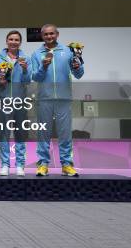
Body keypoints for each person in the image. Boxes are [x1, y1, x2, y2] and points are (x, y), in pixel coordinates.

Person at [31, 24, 84, 177]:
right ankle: (42, 165)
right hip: (44, 99)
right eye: (46, 34)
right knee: (43, 133)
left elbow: (79, 74)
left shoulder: (69, 51)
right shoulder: (36, 54)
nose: (49, 36)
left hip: (64, 98)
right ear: (42, 36)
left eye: (52, 34)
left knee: (65, 134)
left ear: (57, 34)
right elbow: (36, 77)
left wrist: (76, 67)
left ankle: (67, 164)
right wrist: (44, 67)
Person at [0, 30, 31, 176]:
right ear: (7, 41)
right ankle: (5, 164)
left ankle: (20, 165)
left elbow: (28, 81)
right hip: (4, 101)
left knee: (20, 133)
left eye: (17, 40)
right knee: (4, 133)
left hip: (20, 101)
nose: (14, 42)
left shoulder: (26, 59)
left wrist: (25, 70)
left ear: (20, 42)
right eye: (11, 39)